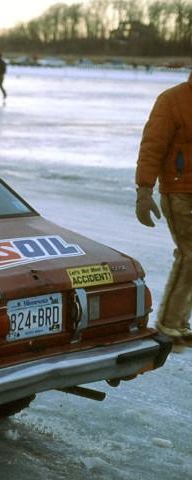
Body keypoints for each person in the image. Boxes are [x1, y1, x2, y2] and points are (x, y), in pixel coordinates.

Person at [135, 69, 192, 345]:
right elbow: (152, 146)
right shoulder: (172, 100)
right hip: (180, 192)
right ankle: (169, 323)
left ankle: (178, 322)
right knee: (190, 254)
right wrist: (144, 191)